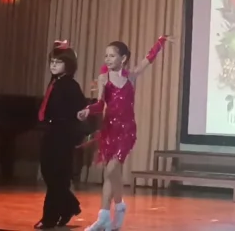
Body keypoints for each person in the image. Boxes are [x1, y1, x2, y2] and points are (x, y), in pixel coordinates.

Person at [77, 35, 172, 231]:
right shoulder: (104, 78)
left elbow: (148, 59)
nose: (107, 59)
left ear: (123, 58)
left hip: (126, 130)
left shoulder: (131, 76)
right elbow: (100, 104)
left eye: (112, 56)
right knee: (109, 173)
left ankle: (119, 206)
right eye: (106, 56)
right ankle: (103, 216)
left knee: (112, 169)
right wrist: (88, 110)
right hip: (109, 129)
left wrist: (160, 42)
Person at [35, 40, 87, 229]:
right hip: (51, 132)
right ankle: (70, 206)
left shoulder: (71, 85)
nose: (53, 65)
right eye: (52, 61)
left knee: (57, 176)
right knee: (49, 173)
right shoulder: (55, 83)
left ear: (68, 64)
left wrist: (77, 133)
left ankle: (50, 218)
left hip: (63, 135)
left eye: (58, 62)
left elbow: (80, 110)